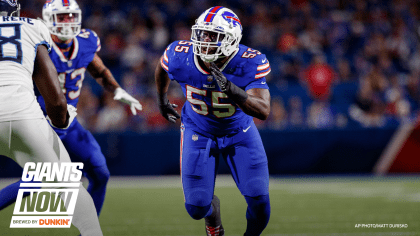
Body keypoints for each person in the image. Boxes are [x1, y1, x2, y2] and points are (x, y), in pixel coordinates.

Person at [0, 0, 142, 216]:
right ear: (47, 20)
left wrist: (117, 90)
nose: (67, 22)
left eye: (70, 16)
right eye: (61, 17)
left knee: (100, 172)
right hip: (40, 120)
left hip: (69, 123)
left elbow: (99, 71)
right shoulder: (34, 39)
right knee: (40, 180)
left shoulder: (86, 41)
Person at [155, 6, 271, 236]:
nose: (204, 41)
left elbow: (264, 110)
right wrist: (161, 100)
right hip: (199, 130)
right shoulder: (180, 55)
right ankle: (213, 215)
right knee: (196, 207)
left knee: (259, 202)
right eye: (202, 34)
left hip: (240, 131)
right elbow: (161, 67)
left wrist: (233, 90)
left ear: (231, 39)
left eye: (214, 36)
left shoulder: (248, 61)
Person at [0, 0, 102, 235]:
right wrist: (61, 122)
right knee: (68, 185)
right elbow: (55, 98)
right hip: (22, 113)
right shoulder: (32, 26)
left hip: (21, 113)